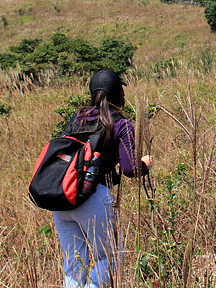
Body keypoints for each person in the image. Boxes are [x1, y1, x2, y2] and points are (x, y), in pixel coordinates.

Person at [52, 70, 153, 288]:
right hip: (93, 197)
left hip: (62, 198)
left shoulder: (77, 118)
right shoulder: (121, 124)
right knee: (111, 257)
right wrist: (145, 163)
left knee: (73, 264)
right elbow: (129, 169)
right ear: (118, 94)